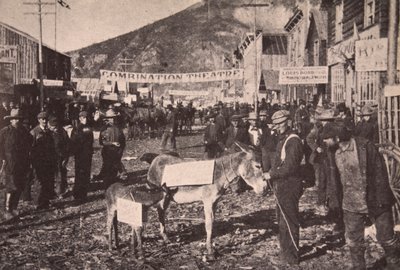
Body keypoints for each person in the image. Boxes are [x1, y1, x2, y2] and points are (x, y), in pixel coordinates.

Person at [321, 123, 400, 269]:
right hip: (350, 204)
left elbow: (380, 175)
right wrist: (333, 201)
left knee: (387, 239)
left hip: (375, 200)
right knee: (354, 242)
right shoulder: (332, 152)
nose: (324, 141)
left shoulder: (365, 146)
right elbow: (333, 179)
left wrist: (382, 201)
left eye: (327, 138)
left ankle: (394, 265)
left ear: (337, 138)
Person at [263, 110, 304, 266]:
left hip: (290, 185)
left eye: (280, 124)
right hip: (281, 185)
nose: (277, 127)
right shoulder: (283, 138)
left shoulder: (293, 140)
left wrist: (271, 174)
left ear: (288, 122)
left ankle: (292, 258)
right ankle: (285, 253)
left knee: (289, 221)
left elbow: (290, 168)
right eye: (276, 124)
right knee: (282, 221)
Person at [0, 109, 32, 220]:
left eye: (18, 119)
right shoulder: (5, 132)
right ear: (10, 120)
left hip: (22, 163)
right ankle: (7, 210)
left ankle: (14, 208)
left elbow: (30, 143)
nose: (16, 121)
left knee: (19, 185)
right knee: (10, 186)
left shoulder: (24, 131)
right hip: (9, 163)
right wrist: (3, 159)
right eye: (14, 119)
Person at [30, 112, 57, 210]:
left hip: (49, 160)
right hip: (39, 161)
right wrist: (33, 162)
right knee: (39, 181)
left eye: (46, 119)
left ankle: (45, 201)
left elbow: (52, 147)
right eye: (42, 119)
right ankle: (38, 202)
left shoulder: (49, 132)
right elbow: (31, 148)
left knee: (48, 181)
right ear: (38, 120)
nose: (44, 121)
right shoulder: (34, 132)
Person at [98, 108, 126, 189]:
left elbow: (123, 141)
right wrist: (112, 143)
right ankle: (107, 186)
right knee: (107, 169)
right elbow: (101, 142)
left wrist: (120, 151)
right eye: (110, 118)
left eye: (113, 118)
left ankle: (112, 184)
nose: (112, 120)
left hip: (117, 152)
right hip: (107, 152)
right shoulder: (104, 129)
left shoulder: (118, 129)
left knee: (114, 170)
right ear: (107, 119)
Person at [70, 111, 94, 203]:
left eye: (87, 117)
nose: (85, 119)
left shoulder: (89, 127)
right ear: (80, 118)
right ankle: (77, 194)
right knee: (80, 174)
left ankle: (84, 194)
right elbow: (73, 143)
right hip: (80, 155)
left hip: (88, 154)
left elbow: (90, 141)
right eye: (83, 117)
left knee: (86, 174)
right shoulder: (77, 129)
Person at [48, 117, 70, 197]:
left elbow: (67, 145)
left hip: (60, 157)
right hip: (50, 157)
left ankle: (60, 192)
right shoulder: (47, 132)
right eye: (53, 126)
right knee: (50, 175)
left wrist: (66, 157)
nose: (55, 128)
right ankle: (50, 192)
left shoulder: (62, 132)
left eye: (56, 126)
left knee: (60, 175)